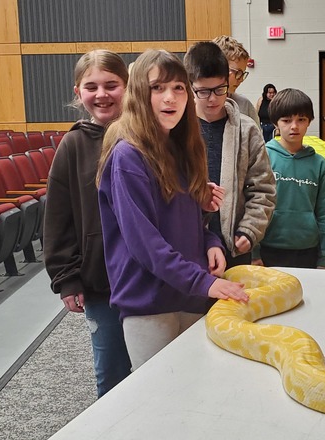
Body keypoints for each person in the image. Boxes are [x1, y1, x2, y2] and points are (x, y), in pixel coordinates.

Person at [97, 49, 249, 370]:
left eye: (179, 88)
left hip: (190, 296)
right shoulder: (128, 157)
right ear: (140, 93)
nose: (170, 98)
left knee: (195, 394)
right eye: (158, 88)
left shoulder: (182, 150)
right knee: (160, 406)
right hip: (150, 303)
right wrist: (205, 283)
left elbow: (191, 223)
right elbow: (145, 245)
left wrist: (211, 244)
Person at [43, 50, 133, 398]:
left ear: (127, 87)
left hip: (150, 275)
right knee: (110, 373)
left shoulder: (145, 136)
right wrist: (66, 277)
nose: (102, 94)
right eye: (91, 86)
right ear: (77, 92)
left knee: (154, 365)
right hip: (101, 282)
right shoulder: (73, 145)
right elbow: (58, 216)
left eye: (112, 85)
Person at [184, 41, 275, 269]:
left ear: (228, 83)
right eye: (203, 91)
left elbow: (263, 188)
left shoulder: (247, 129)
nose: (213, 98)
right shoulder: (177, 130)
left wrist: (250, 229)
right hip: (186, 249)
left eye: (219, 89)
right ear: (189, 87)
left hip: (234, 247)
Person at [255, 88, 325, 269]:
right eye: (286, 120)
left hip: (308, 251)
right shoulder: (263, 157)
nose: (294, 126)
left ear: (309, 122)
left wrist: (324, 257)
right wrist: (253, 252)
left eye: (301, 120)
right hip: (268, 249)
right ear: (276, 123)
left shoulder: (319, 164)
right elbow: (251, 206)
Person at [211, 35, 260, 127]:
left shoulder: (244, 105)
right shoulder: (191, 104)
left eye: (243, 74)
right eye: (237, 73)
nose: (241, 79)